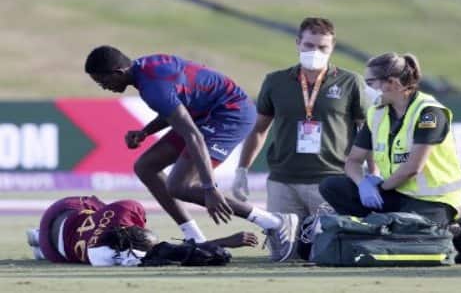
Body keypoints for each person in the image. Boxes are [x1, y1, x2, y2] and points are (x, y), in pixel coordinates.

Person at [84, 46, 299, 262]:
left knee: (180, 186)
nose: (104, 87)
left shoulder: (152, 88)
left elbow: (193, 136)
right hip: (205, 114)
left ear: (118, 72)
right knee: (146, 167)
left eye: (103, 82)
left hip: (230, 114)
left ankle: (275, 222)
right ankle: (194, 237)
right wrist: (146, 131)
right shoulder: (144, 68)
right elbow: (176, 107)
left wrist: (210, 188)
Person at [318, 52, 461, 264]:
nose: (366, 89)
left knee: (406, 231)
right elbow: (353, 161)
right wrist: (362, 184)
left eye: (370, 83)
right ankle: (384, 225)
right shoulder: (376, 113)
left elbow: (414, 167)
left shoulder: (429, 113)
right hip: (396, 192)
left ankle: (459, 230)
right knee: (332, 186)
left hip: (432, 200)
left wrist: (380, 188)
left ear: (392, 83)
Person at [232, 17, 370, 221]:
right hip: (283, 181)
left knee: (326, 250)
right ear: (298, 43)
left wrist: (371, 174)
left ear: (332, 47)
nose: (315, 52)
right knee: (282, 251)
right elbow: (259, 129)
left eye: (323, 47)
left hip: (333, 180)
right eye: (309, 45)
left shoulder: (350, 82)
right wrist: (242, 169)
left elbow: (367, 131)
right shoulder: (275, 81)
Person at [27, 195, 258, 266]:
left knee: (96, 206)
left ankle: (38, 234)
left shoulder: (124, 209)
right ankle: (38, 241)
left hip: (60, 213)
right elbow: (166, 251)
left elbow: (163, 249)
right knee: (94, 205)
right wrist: (223, 243)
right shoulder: (107, 257)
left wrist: (225, 241)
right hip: (55, 253)